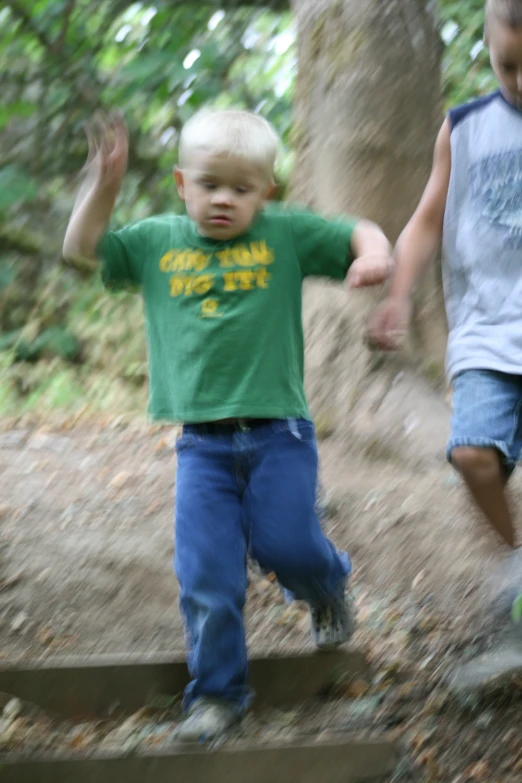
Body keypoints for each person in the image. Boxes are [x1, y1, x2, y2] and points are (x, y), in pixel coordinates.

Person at [63, 107, 393, 741]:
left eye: (242, 189)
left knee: (287, 546)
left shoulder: (284, 234)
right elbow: (82, 250)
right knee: (207, 575)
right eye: (210, 184)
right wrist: (102, 188)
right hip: (202, 450)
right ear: (183, 184)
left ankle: (326, 586)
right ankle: (217, 696)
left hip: (280, 436)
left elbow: (359, 228)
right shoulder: (158, 241)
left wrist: (372, 254)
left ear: (266, 193)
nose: (224, 200)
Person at [369, 0, 522, 610]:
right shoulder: (464, 127)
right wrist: (398, 296)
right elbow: (426, 221)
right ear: (489, 49)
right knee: (472, 454)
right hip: (486, 329)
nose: (521, 82)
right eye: (509, 65)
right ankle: (515, 560)